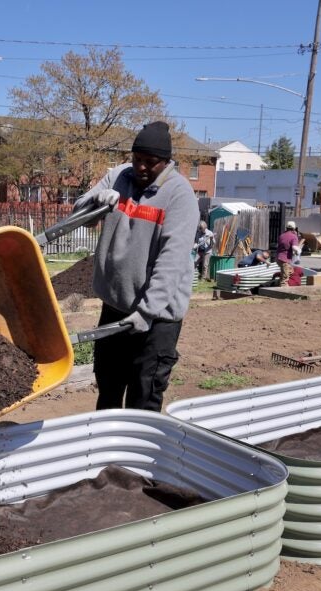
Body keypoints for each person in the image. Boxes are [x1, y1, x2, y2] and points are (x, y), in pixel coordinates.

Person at [72, 121, 198, 412]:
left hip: (156, 320)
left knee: (144, 395)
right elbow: (79, 213)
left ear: (165, 162)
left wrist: (147, 312)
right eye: (136, 159)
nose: (141, 167)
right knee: (108, 388)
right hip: (115, 309)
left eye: (149, 163)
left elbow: (172, 261)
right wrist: (95, 201)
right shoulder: (119, 177)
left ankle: (137, 457)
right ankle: (106, 454)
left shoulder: (179, 195)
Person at [275, 221, 301, 285]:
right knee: (285, 279)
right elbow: (294, 247)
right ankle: (284, 291)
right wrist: (298, 251)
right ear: (294, 228)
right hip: (285, 259)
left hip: (278, 258)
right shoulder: (293, 236)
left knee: (289, 271)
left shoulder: (282, 235)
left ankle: (277, 285)